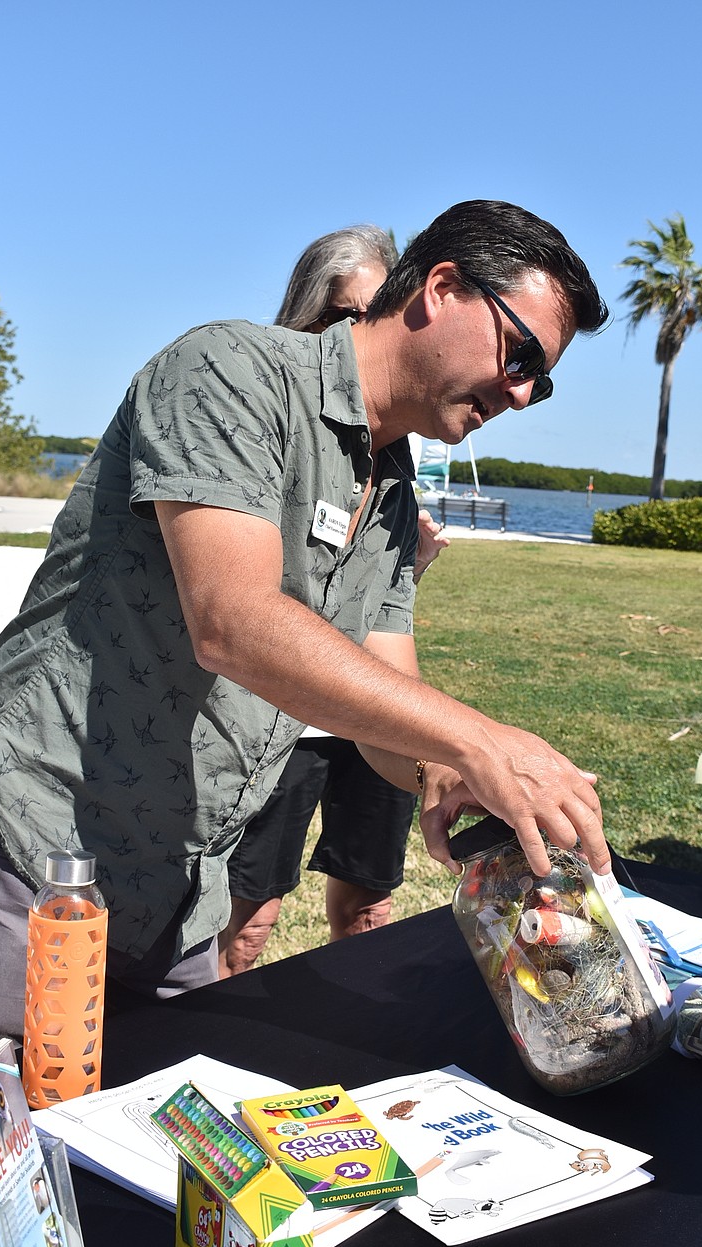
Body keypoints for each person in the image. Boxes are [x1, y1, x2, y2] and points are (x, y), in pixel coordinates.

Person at [0, 198, 611, 1042]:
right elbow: (234, 620)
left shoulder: (390, 497)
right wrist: (478, 740)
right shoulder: (230, 370)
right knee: (14, 1156)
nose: (525, 393)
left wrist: (441, 772)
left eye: (545, 376)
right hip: (32, 862)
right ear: (443, 287)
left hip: (179, 908)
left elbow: (387, 695)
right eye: (521, 351)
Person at [219, 225, 450, 977]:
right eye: (344, 318)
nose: (361, 343)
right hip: (273, 730)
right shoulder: (248, 413)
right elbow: (238, 616)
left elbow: (377, 622)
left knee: (370, 911)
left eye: (376, 319)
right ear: (305, 320)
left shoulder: (393, 474)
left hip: (367, 727)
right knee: (246, 922)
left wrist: (457, 761)